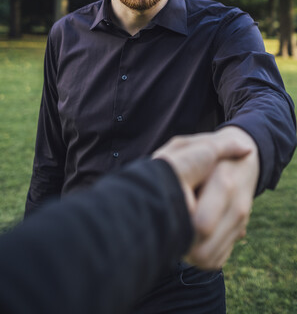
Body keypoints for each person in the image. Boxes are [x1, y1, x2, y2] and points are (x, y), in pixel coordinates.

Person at [25, 0, 297, 313]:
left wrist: (242, 147)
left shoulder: (226, 29)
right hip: (76, 273)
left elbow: (266, 102)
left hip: (180, 285)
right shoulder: (64, 36)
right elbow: (49, 166)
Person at [0, 133, 248, 314]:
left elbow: (262, 96)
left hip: (180, 281)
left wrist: (252, 145)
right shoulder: (59, 58)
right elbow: (49, 162)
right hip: (77, 281)